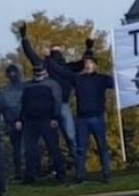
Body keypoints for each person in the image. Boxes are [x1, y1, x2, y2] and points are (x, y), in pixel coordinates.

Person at [15, 21, 94, 158]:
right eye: (54, 50)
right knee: (59, 138)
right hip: (48, 108)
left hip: (60, 105)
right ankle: (68, 165)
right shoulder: (53, 66)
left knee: (68, 136)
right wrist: (88, 49)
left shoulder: (59, 66)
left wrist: (24, 37)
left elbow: (30, 54)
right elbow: (30, 54)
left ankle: (77, 164)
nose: (56, 53)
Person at [43, 49, 114, 183]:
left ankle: (107, 174)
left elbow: (119, 84)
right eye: (86, 62)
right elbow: (61, 71)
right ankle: (80, 175)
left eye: (90, 63)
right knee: (81, 149)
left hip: (98, 117)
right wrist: (48, 59)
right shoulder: (78, 79)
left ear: (95, 65)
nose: (88, 65)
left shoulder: (102, 79)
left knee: (102, 147)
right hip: (82, 119)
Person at [17, 61, 66, 184]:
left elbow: (57, 101)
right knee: (30, 150)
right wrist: (20, 119)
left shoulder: (52, 84)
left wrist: (55, 117)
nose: (38, 73)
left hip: (47, 120)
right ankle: (30, 176)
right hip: (30, 121)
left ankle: (60, 173)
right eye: (36, 71)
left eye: (40, 71)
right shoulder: (27, 86)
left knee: (52, 147)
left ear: (45, 72)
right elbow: (23, 104)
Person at [3, 64, 26, 181]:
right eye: (10, 72)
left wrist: (20, 120)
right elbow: (5, 107)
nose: (12, 74)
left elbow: (26, 105)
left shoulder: (25, 87)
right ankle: (18, 172)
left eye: (14, 72)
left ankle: (26, 172)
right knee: (16, 150)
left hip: (24, 122)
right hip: (10, 123)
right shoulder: (6, 90)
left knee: (24, 149)